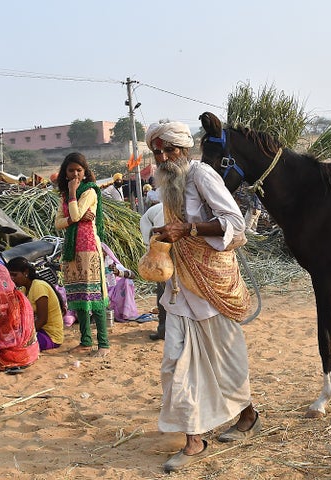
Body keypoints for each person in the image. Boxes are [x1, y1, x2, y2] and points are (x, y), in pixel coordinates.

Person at [147, 121, 260, 473]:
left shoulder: (202, 175)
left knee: (224, 359)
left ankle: (247, 414)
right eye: (157, 152)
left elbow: (235, 224)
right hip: (180, 286)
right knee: (174, 363)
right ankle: (194, 440)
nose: (164, 157)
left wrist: (189, 229)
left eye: (170, 150)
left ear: (185, 149)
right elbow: (174, 224)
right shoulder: (165, 183)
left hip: (211, 285)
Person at [54, 152, 110, 357]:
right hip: (71, 249)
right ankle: (85, 341)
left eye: (79, 170)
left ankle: (103, 344)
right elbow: (59, 223)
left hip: (88, 249)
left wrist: (72, 195)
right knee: (78, 296)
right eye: (71, 170)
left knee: (94, 296)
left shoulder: (90, 192)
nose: (75, 173)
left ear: (85, 172)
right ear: (65, 173)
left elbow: (75, 214)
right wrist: (71, 218)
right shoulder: (63, 196)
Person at [6, 257, 65, 351]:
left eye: (15, 275)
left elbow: (42, 320)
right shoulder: (24, 289)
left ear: (25, 272)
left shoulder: (38, 286)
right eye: (10, 276)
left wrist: (24, 336)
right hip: (38, 331)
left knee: (13, 346)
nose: (12, 279)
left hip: (49, 336)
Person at [140, 201, 166, 340]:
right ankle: (163, 330)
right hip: (156, 239)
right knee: (163, 283)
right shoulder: (163, 213)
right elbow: (159, 237)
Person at [101, 243, 139, 322]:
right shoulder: (91, 266)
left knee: (127, 281)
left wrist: (118, 273)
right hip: (100, 296)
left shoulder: (112, 265)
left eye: (102, 252)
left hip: (115, 296)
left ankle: (127, 313)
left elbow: (132, 275)